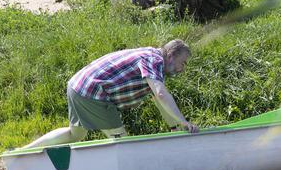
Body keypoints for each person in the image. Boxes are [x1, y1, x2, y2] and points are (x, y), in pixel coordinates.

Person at [23, 39, 198, 149]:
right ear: (171, 56)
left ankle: (23, 152)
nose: (182, 68)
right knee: (123, 145)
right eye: (183, 63)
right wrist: (185, 122)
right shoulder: (155, 60)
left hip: (77, 86)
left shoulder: (153, 62)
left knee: (75, 135)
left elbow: (159, 101)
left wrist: (175, 128)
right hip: (93, 93)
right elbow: (161, 94)